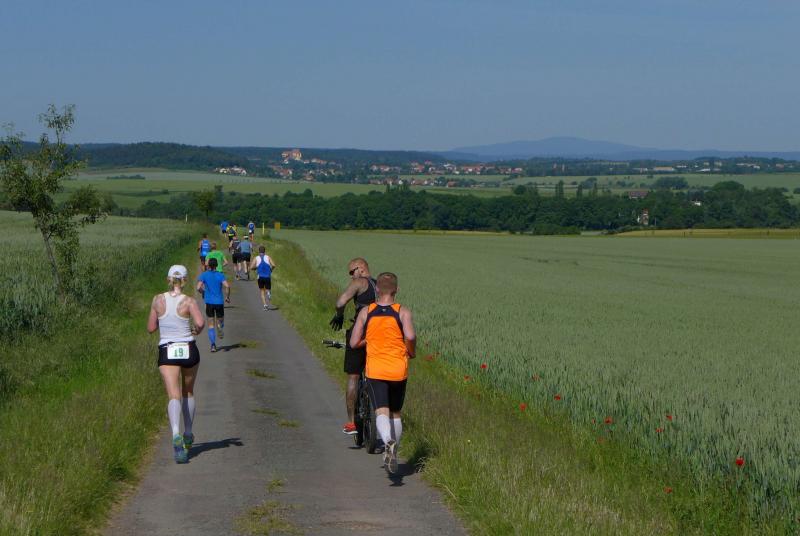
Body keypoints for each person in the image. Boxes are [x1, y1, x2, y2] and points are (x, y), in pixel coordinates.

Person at [350, 272, 415, 474]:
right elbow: (410, 336)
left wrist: (366, 341)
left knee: (381, 410)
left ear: (377, 289)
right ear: (396, 290)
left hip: (376, 369)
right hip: (398, 370)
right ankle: (393, 451)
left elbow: (353, 342)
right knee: (395, 412)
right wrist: (411, 351)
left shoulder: (367, 312)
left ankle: (387, 441)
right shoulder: (402, 311)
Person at [147, 265, 205, 464]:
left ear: (168, 279)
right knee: (188, 392)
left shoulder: (157, 300)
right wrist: (195, 330)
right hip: (188, 348)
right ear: (185, 281)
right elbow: (200, 323)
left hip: (167, 349)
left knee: (173, 395)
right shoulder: (189, 301)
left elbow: (151, 327)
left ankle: (175, 433)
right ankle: (188, 433)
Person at [330, 257, 378, 435]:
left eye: (352, 271)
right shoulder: (380, 285)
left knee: (353, 376)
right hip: (379, 336)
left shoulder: (359, 282)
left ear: (361, 268)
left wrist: (339, 315)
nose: (351, 276)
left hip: (361, 334)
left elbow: (340, 302)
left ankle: (351, 423)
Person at [196, 258, 230, 352]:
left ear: (208, 265)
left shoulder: (204, 275)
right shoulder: (220, 275)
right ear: (216, 265)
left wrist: (203, 292)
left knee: (211, 325)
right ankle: (220, 327)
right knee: (220, 321)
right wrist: (227, 296)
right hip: (219, 302)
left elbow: (198, 287)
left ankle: (213, 345)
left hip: (209, 302)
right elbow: (227, 286)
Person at [249, 245, 276, 310]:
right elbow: (273, 265)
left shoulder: (256, 258)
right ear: (264, 251)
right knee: (268, 288)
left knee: (262, 291)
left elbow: (251, 267)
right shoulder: (268, 257)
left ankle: (265, 305)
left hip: (260, 277)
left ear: (259, 251)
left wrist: (256, 268)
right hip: (267, 276)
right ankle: (268, 292)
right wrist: (271, 270)